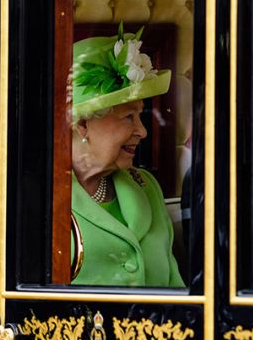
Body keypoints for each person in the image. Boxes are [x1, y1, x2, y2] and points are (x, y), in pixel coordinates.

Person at [70, 25, 184, 287]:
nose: (142, 131)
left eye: (140, 116)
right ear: (83, 124)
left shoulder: (147, 187)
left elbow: (176, 288)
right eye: (128, 117)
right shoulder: (18, 192)